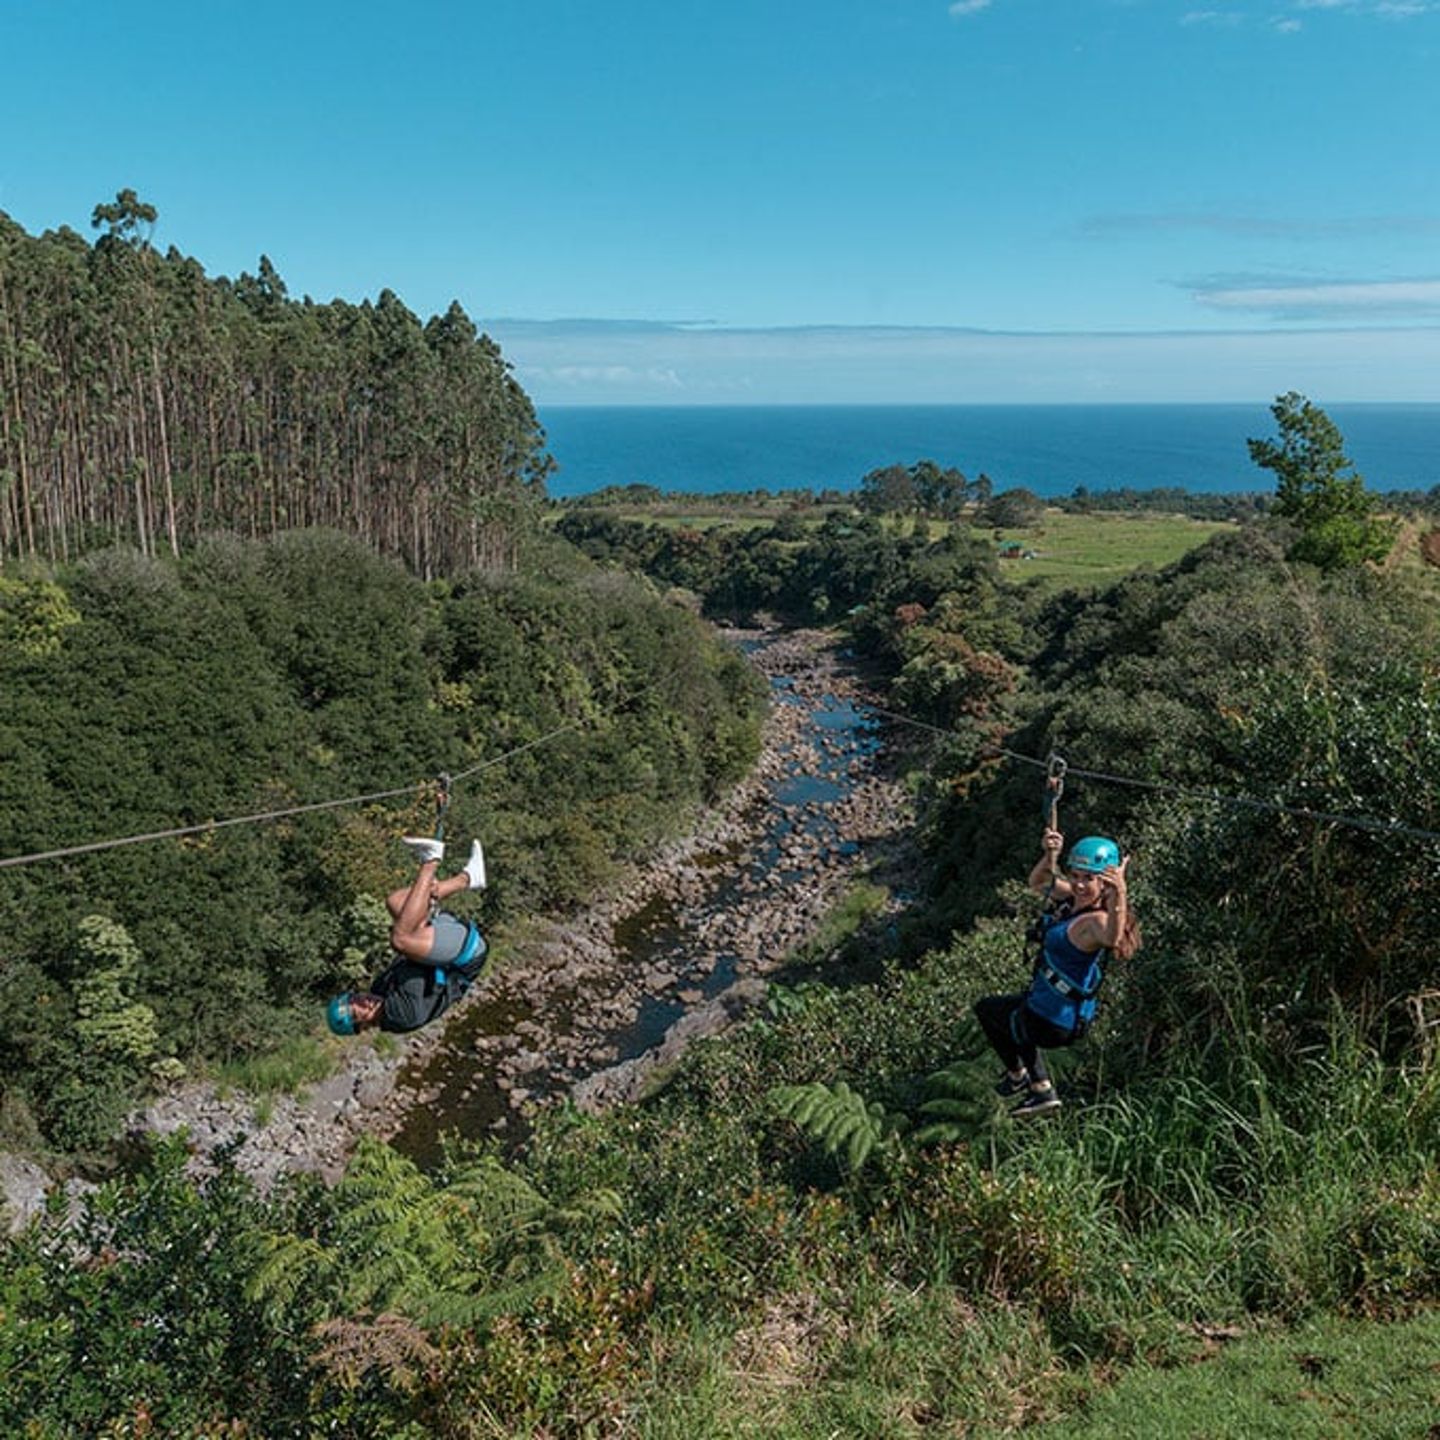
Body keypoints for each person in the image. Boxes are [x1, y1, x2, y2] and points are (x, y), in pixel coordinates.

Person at [973, 828, 1140, 1116]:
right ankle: (1019, 1077)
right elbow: (1038, 882)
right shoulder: (1071, 902)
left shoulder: (1095, 921)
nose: (1079, 884)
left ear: (1104, 883)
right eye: (1075, 876)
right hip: (1048, 1008)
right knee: (988, 1009)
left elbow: (1112, 937)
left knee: (1014, 1022)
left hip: (1054, 1019)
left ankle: (1040, 1088)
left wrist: (1120, 893)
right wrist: (1050, 855)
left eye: (1089, 879)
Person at [326, 835, 490, 1036]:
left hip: (445, 935)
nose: (361, 1000)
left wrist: (418, 910)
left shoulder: (379, 987)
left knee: (395, 901)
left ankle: (468, 878)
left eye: (354, 997)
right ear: (361, 1026)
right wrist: (410, 928)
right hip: (467, 953)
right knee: (400, 939)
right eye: (355, 1010)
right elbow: (417, 966)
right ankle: (430, 861)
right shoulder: (400, 1015)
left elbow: (410, 957)